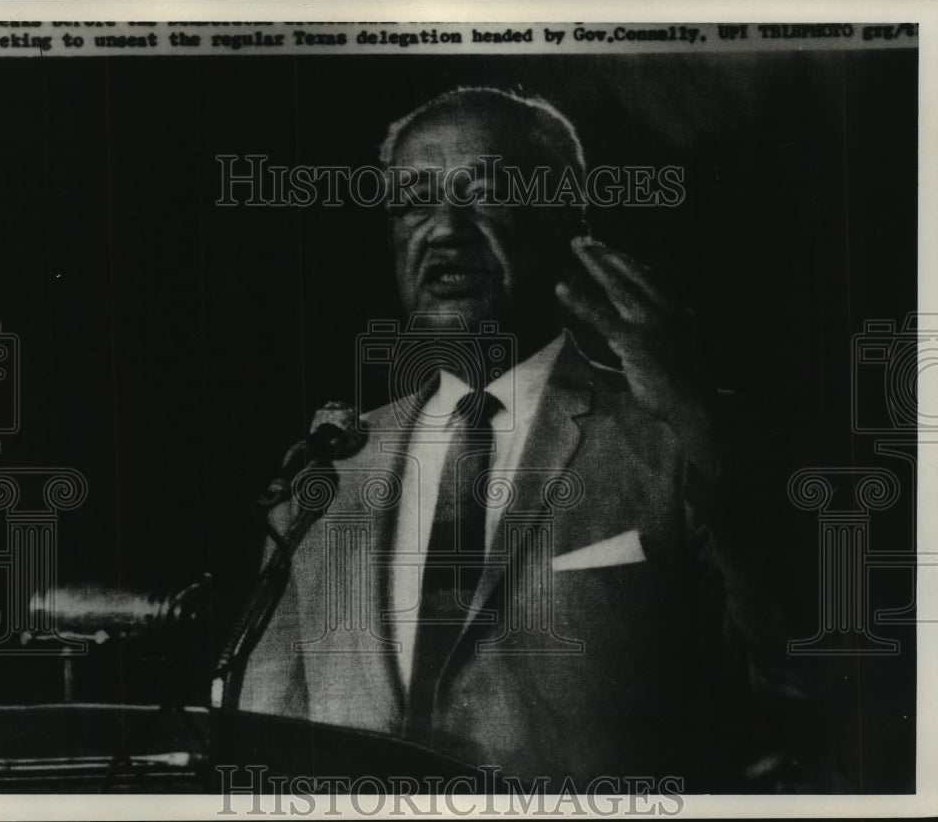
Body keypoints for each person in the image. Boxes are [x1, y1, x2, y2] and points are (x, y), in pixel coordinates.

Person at [236, 87, 816, 791]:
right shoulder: (330, 470)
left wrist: (699, 426)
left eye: (485, 194)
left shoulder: (680, 436)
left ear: (569, 226)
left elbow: (803, 684)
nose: (445, 231)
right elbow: (261, 730)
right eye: (413, 202)